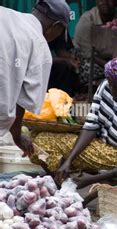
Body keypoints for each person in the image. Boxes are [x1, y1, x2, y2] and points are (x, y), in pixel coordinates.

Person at [30, 57, 117, 189]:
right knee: (34, 138)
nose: (112, 89)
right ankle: (62, 181)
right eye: (110, 85)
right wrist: (69, 160)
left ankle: (62, 185)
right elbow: (91, 125)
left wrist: (93, 179)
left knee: (42, 141)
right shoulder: (106, 87)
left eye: (116, 87)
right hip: (97, 143)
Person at [0, 0, 70, 157]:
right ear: (57, 26)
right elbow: (22, 100)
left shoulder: (4, 14)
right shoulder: (39, 46)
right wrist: (17, 136)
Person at [73, 0, 117, 86]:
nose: (105, 2)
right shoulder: (87, 20)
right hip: (88, 59)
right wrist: (110, 67)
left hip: (108, 58)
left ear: (116, 3)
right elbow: (88, 54)